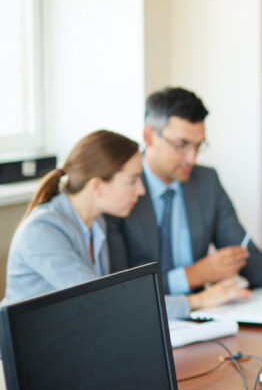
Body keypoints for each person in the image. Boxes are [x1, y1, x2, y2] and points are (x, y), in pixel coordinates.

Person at [4, 130, 240, 317]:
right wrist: (197, 301)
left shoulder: (99, 226)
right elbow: (105, 302)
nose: (141, 190)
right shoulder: (42, 231)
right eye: (133, 180)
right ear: (97, 186)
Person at [106, 87, 262, 298]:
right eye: (181, 145)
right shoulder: (119, 188)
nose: (191, 158)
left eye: (198, 146)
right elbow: (119, 286)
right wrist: (194, 275)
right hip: (145, 316)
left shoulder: (206, 182)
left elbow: (251, 261)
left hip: (204, 318)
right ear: (149, 136)